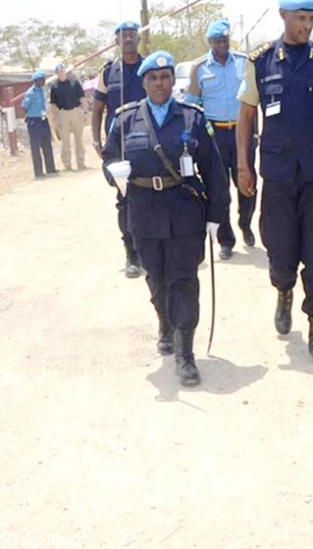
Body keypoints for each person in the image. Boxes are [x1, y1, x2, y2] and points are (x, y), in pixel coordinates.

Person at [235, 0, 313, 367]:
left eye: (311, 19)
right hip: (280, 175)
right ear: (283, 16)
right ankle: (283, 290)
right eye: (300, 18)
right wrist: (243, 165)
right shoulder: (262, 61)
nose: (307, 25)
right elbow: (247, 115)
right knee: (280, 250)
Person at [102, 51, 229, 386]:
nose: (159, 84)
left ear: (174, 81)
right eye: (153, 79)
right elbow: (109, 156)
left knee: (183, 279)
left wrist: (217, 216)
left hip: (183, 209)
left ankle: (185, 352)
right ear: (143, 83)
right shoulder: (126, 118)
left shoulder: (192, 117)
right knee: (156, 277)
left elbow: (214, 171)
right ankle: (164, 321)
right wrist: (114, 172)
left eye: (165, 78)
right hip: (143, 211)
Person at [185, 19, 257, 260]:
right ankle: (226, 240)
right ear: (210, 43)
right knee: (218, 188)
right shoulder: (199, 68)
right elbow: (192, 105)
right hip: (214, 134)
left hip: (242, 132)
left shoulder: (243, 62)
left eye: (225, 40)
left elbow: (253, 99)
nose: (222, 45)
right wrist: (200, 133)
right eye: (217, 41)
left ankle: (245, 223)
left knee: (247, 183)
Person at [92, 21, 146, 278]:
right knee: (124, 200)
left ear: (138, 38)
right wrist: (96, 141)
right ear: (116, 41)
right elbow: (98, 108)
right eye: (123, 36)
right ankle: (131, 254)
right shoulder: (107, 72)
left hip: (147, 142)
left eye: (132, 35)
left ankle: (147, 249)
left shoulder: (148, 68)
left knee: (148, 197)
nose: (128, 39)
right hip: (119, 146)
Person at [49, 63, 87, 170]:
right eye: (59, 72)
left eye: (62, 70)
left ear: (65, 71)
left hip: (75, 111)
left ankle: (81, 163)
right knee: (65, 141)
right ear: (56, 73)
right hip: (63, 114)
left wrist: (85, 112)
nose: (61, 73)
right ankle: (67, 164)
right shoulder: (54, 86)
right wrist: (55, 119)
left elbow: (82, 98)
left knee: (79, 139)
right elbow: (53, 104)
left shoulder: (74, 83)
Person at [21, 72, 58, 178]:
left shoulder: (42, 90)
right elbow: (24, 107)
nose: (43, 81)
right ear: (36, 81)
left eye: (43, 79)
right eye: (41, 80)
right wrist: (29, 117)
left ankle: (50, 168)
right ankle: (38, 172)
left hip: (43, 119)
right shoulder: (30, 93)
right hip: (34, 121)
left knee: (47, 144)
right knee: (36, 147)